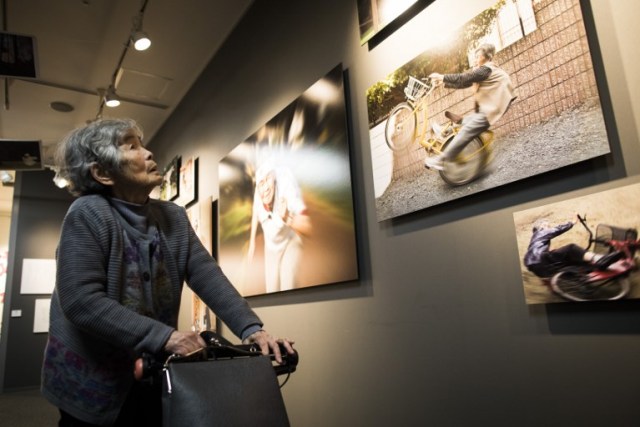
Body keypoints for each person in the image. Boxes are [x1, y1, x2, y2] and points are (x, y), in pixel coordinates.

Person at [41, 118, 295, 427]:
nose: (148, 153)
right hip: (90, 381)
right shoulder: (87, 213)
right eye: (132, 146)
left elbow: (206, 275)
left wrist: (252, 329)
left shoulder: (172, 216)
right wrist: (167, 337)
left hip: (150, 370)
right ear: (102, 173)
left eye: (143, 143)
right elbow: (81, 301)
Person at [424, 43, 516, 171]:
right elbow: (464, 83)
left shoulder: (486, 69)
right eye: (475, 56)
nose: (475, 59)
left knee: (466, 132)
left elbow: (463, 78)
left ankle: (441, 161)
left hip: (491, 111)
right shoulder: (484, 70)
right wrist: (444, 82)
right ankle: (446, 132)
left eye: (478, 56)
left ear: (487, 57)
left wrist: (442, 76)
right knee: (465, 121)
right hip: (488, 110)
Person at [247, 161, 312, 293]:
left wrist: (288, 218)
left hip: (290, 242)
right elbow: (255, 212)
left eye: (269, 179)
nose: (265, 188)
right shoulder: (258, 193)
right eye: (261, 183)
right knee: (272, 291)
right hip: (271, 248)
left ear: (275, 178)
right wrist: (252, 242)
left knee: (288, 288)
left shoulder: (286, 188)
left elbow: (307, 227)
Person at [524, 217, 623, 278]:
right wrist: (572, 222)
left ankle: (591, 273)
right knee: (571, 248)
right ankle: (599, 259)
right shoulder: (539, 232)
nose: (549, 227)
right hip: (541, 259)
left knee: (571, 262)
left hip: (540, 270)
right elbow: (555, 230)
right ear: (541, 227)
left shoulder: (534, 243)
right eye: (547, 225)